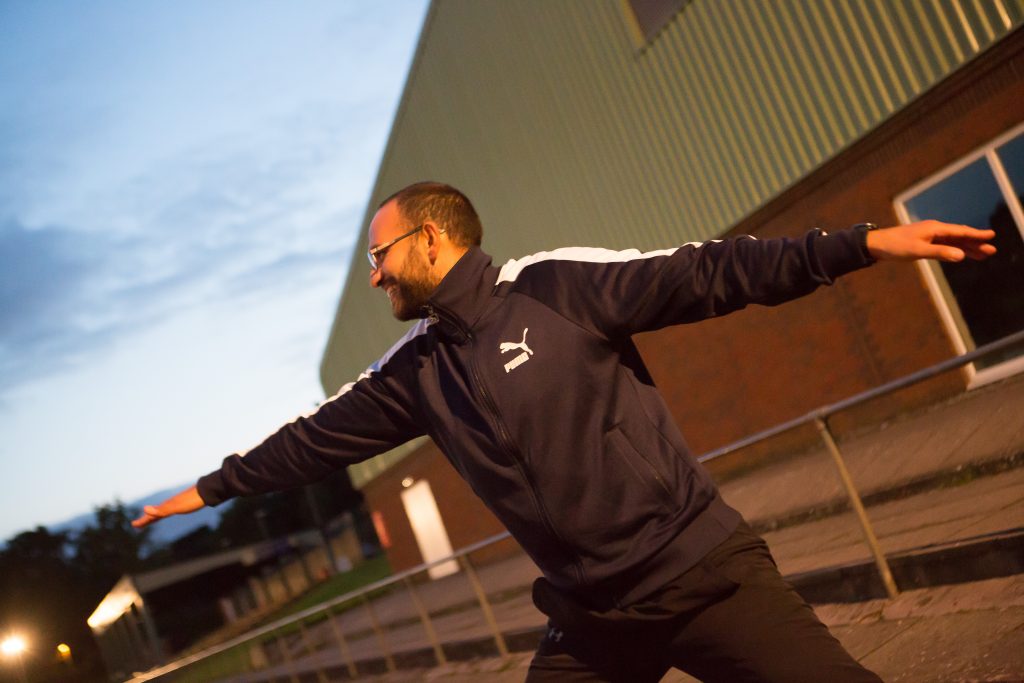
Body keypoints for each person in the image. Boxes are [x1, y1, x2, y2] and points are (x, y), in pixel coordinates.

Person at [134, 182, 996, 681]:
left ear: (428, 239)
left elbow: (712, 272)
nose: (374, 277)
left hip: (701, 575)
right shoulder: (415, 371)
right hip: (595, 618)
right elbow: (313, 438)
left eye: (379, 256)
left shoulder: (556, 286)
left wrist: (863, 243)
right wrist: (213, 487)